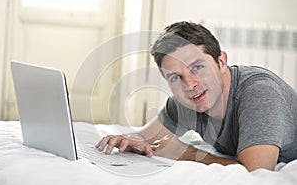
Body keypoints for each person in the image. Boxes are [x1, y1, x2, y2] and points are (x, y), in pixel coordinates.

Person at [96, 21, 297, 172]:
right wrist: (128, 140)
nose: (190, 84)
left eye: (198, 67)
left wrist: (185, 152)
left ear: (222, 61)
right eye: (175, 77)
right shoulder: (187, 98)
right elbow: (145, 137)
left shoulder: (260, 95)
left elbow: (256, 172)